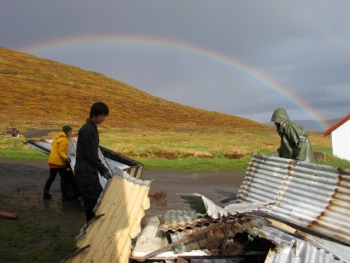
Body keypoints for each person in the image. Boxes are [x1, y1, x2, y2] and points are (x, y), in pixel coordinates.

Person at [74, 102, 112, 223]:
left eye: (104, 116)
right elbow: (91, 154)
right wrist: (103, 170)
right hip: (85, 171)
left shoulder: (92, 128)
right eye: (101, 115)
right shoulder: (88, 129)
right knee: (93, 202)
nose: (103, 118)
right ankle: (90, 233)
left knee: (95, 201)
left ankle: (92, 230)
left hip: (89, 170)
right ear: (94, 114)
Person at [43, 125, 73, 200]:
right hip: (59, 162)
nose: (71, 134)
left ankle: (45, 193)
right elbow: (61, 152)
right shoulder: (64, 140)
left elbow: (53, 144)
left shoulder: (57, 138)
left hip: (52, 161)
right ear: (67, 132)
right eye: (70, 132)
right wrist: (67, 158)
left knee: (51, 177)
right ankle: (64, 195)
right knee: (64, 178)